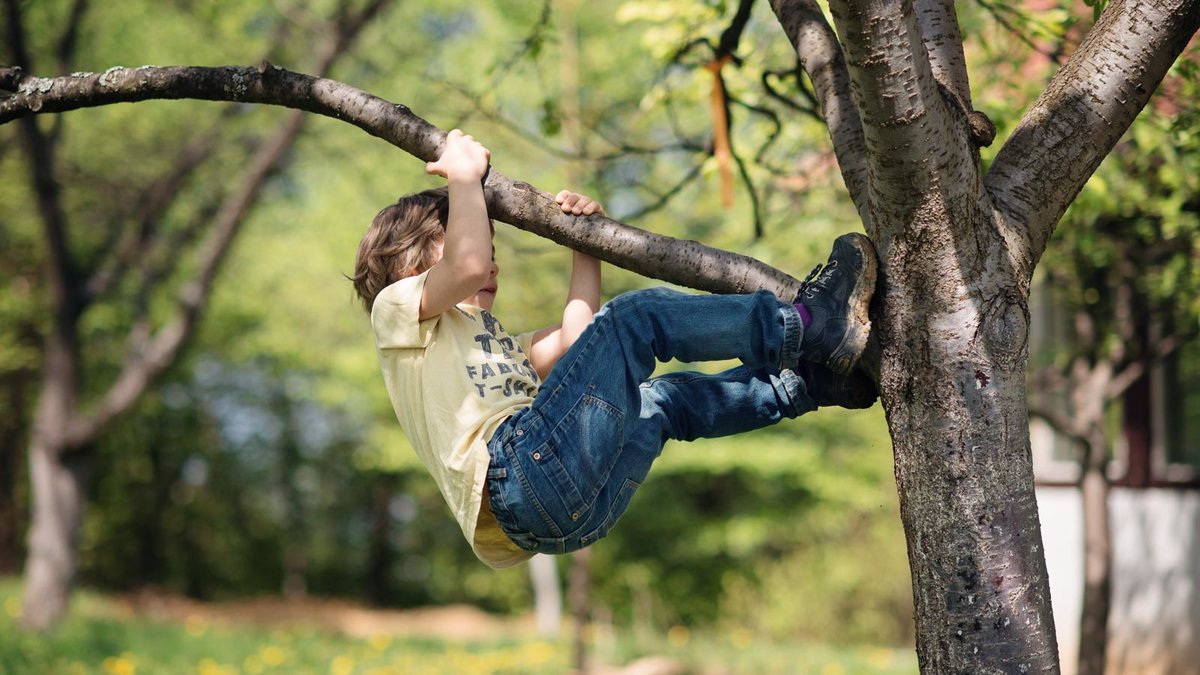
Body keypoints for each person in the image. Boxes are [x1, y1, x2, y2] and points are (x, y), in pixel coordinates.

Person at [352, 129, 878, 569]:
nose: (491, 263)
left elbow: (581, 346)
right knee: (634, 318)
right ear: (411, 260)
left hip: (559, 515)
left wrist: (586, 243)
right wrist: (465, 176)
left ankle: (808, 383)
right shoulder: (397, 315)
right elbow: (465, 265)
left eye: (491, 248)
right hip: (520, 480)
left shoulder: (494, 344)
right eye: (478, 239)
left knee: (658, 403)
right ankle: (810, 324)